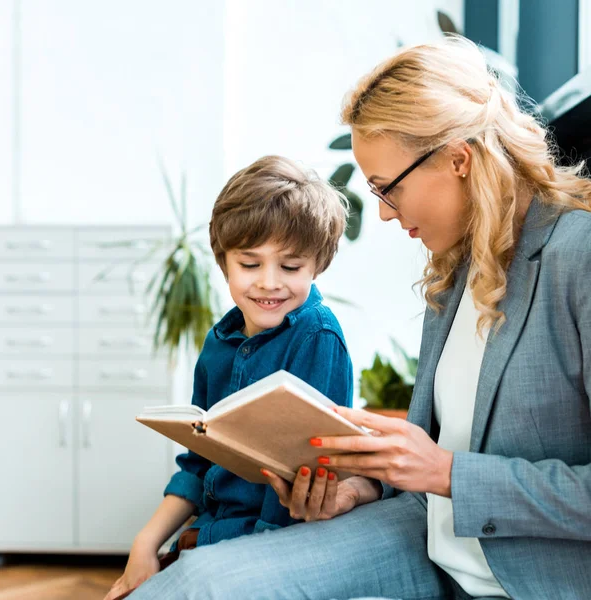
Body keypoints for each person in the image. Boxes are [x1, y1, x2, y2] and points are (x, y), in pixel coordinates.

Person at [127, 35, 591, 600]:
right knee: (195, 584)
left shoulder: (577, 255)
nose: (382, 213)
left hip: (532, 571)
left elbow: (440, 465)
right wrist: (357, 489)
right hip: (423, 540)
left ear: (459, 159)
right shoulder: (454, 271)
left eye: (386, 188)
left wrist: (448, 473)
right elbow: (426, 455)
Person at [104, 155, 354, 600]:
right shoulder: (220, 342)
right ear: (223, 263)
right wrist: (147, 543)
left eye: (291, 267)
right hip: (209, 536)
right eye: (250, 264)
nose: (269, 283)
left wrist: (231, 567)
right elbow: (198, 462)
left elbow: (302, 475)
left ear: (318, 265)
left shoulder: (316, 338)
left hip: (266, 547)